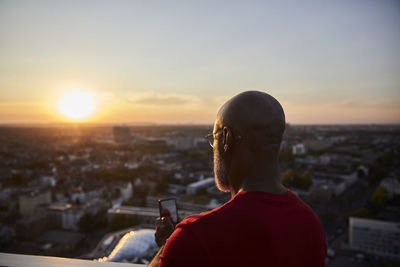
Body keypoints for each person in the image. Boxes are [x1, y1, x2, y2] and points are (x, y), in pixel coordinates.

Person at [149, 91, 326, 267]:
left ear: (227, 138)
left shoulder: (196, 236)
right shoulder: (310, 224)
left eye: (214, 138)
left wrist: (166, 247)